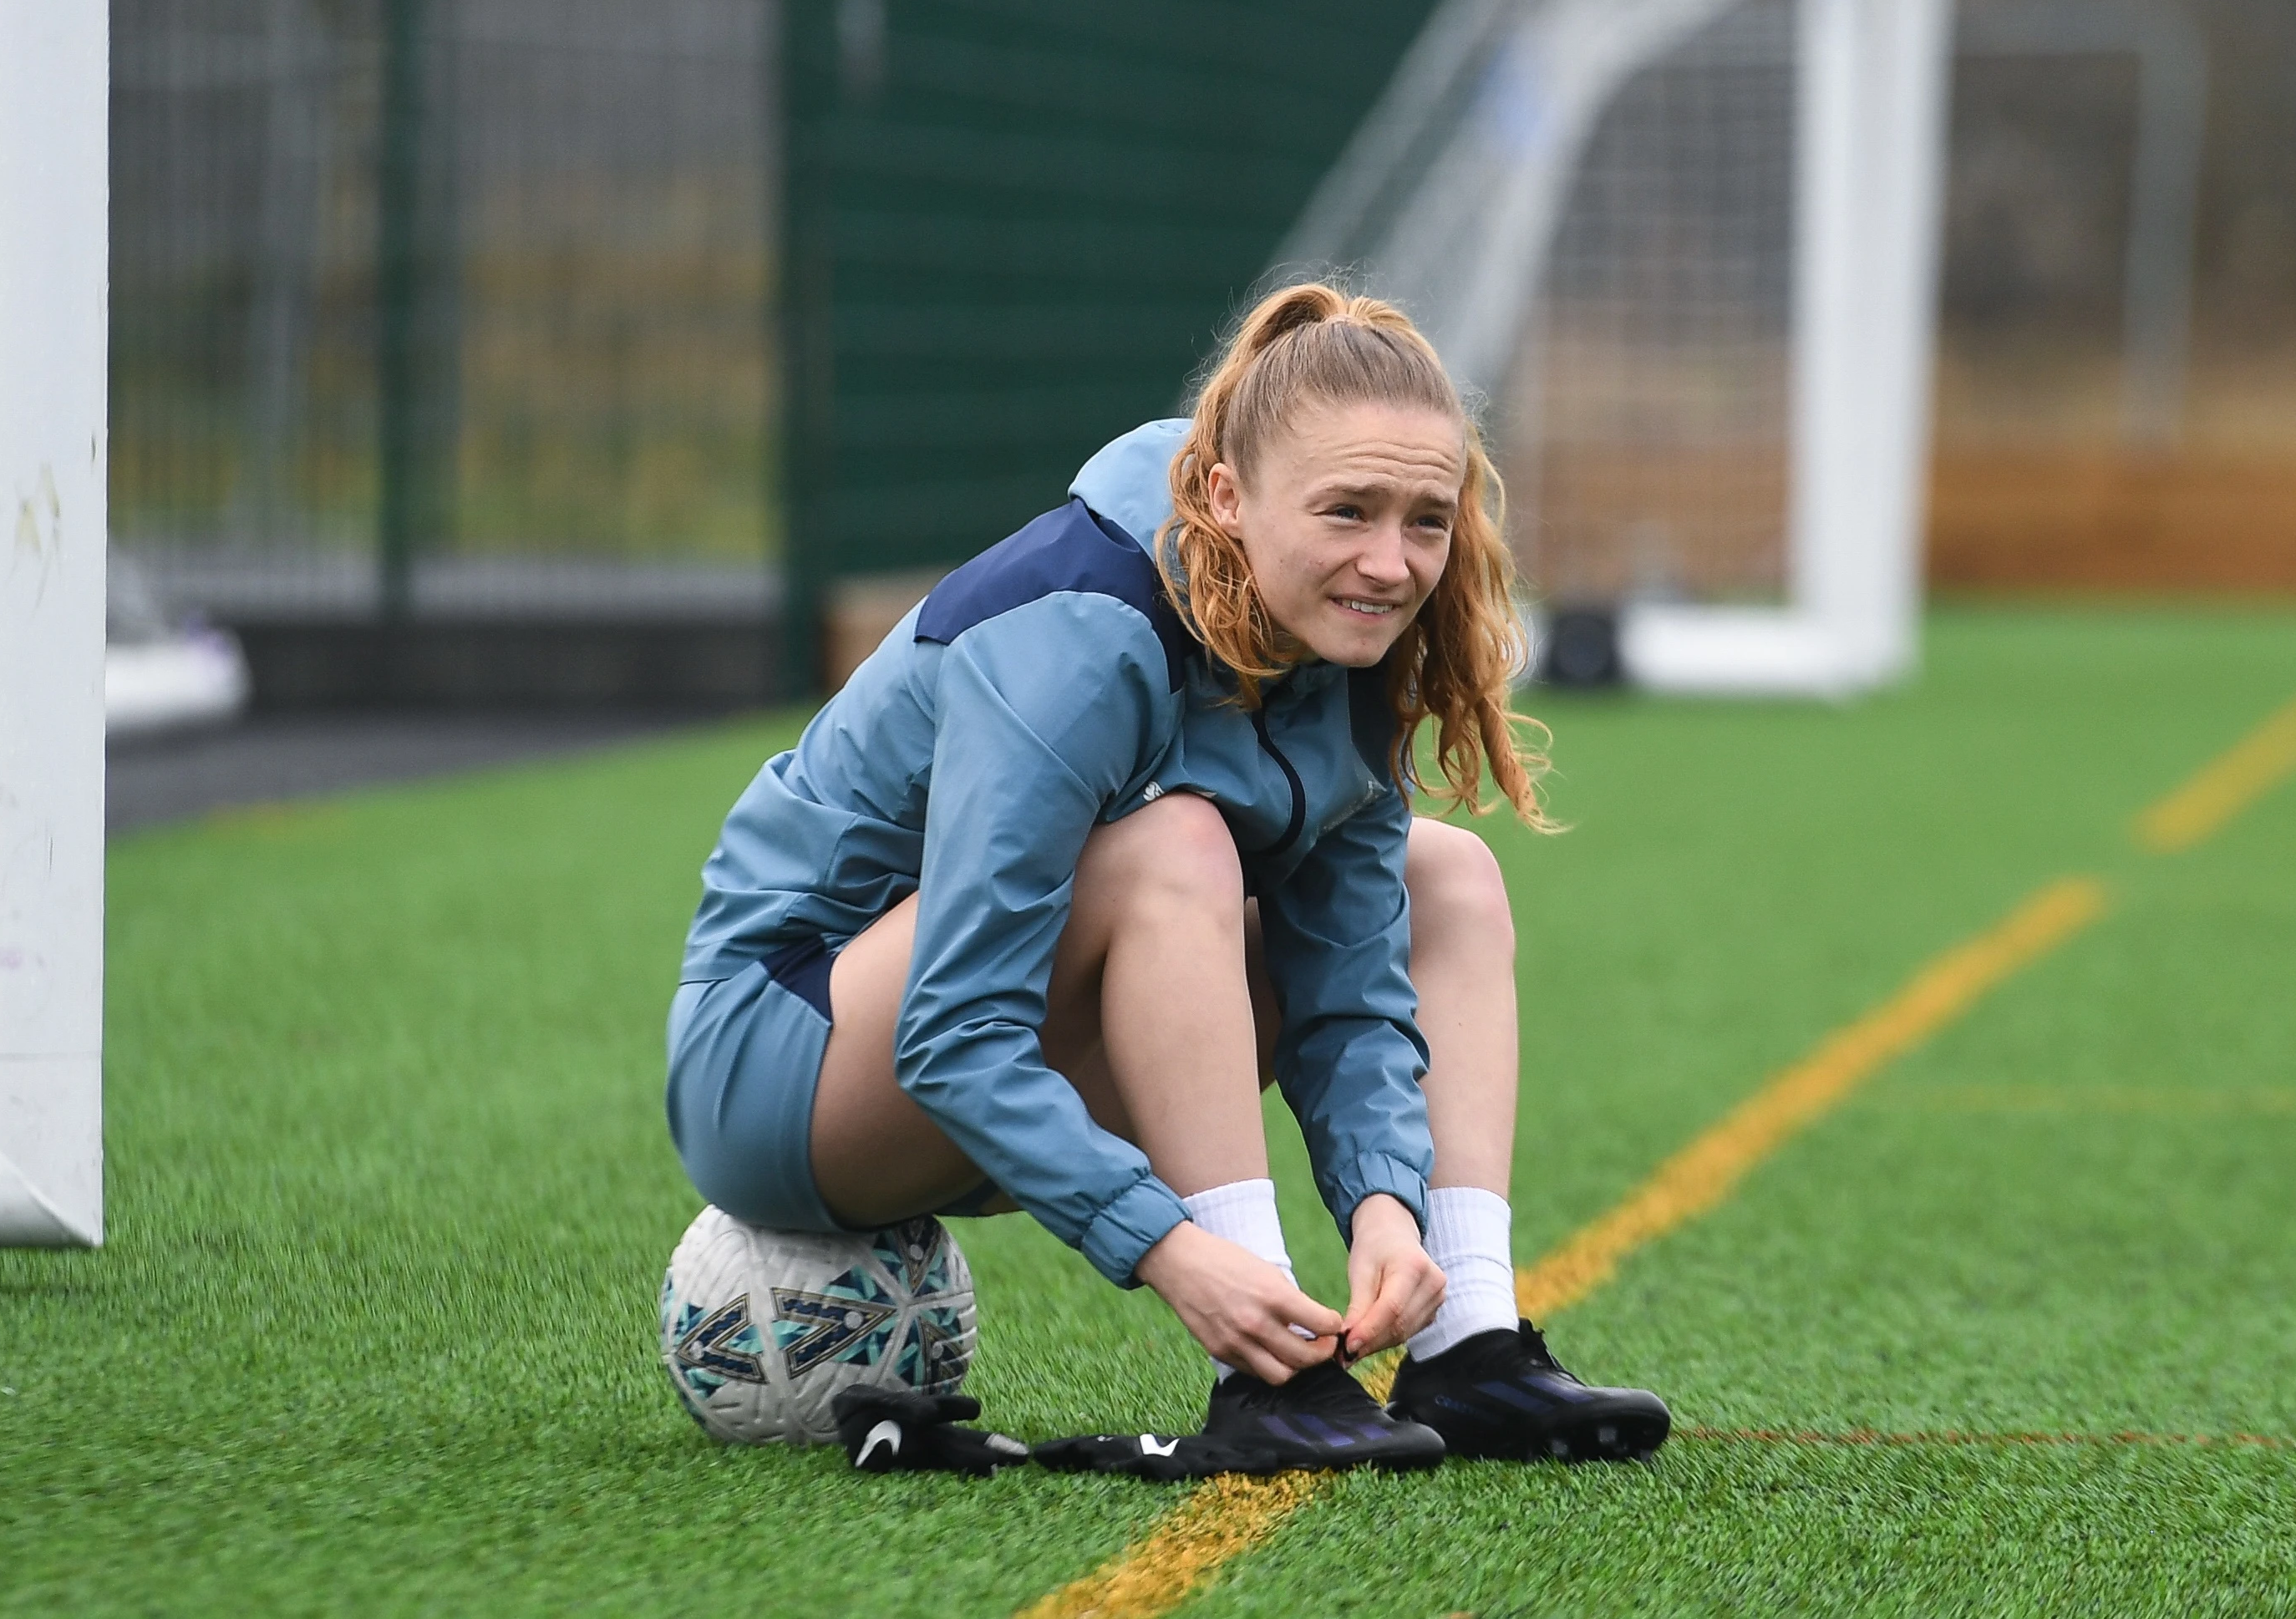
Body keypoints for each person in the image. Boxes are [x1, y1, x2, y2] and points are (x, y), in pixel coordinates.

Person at [667, 282, 1669, 1470]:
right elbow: (953, 1025)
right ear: (1223, 495)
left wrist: (1387, 1207)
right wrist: (1173, 1248)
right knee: (1176, 841)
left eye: (1424, 520)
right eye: (1346, 510)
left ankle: (1467, 1345)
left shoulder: (1348, 641)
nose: (1390, 563)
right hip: (787, 1055)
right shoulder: (1075, 626)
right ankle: (1267, 1372)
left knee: (1444, 875)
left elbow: (1345, 987)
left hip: (1009, 1043)